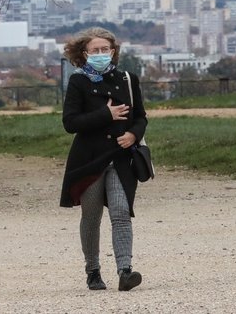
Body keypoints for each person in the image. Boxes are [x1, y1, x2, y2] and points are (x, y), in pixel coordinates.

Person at [59, 27, 148, 292]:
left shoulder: (128, 79)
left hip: (121, 159)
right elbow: (70, 122)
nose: (100, 54)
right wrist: (106, 115)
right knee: (92, 215)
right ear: (84, 54)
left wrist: (133, 134)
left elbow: (141, 116)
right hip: (89, 160)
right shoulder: (78, 81)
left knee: (121, 212)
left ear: (113, 51)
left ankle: (125, 270)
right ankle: (93, 271)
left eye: (104, 49)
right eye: (94, 50)